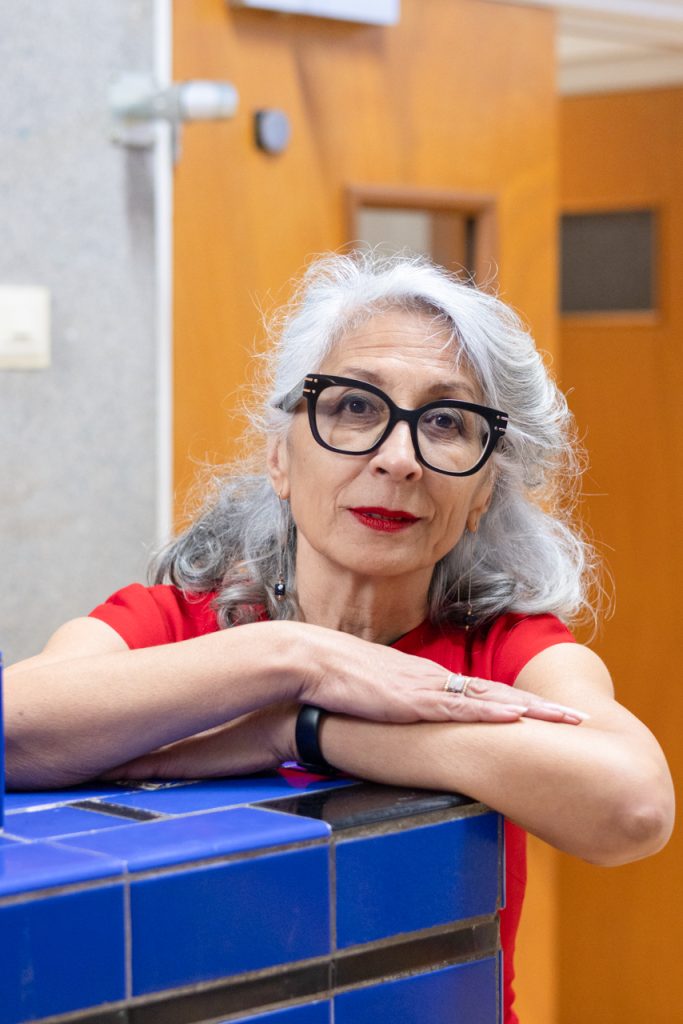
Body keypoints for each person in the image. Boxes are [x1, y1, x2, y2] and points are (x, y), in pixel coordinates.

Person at [5, 251, 674, 1023]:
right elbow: (14, 732)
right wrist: (293, 657)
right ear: (279, 458)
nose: (397, 460)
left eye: (446, 423)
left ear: (484, 490)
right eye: (354, 407)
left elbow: (632, 811)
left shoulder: (502, 652)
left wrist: (302, 728)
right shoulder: (174, 623)